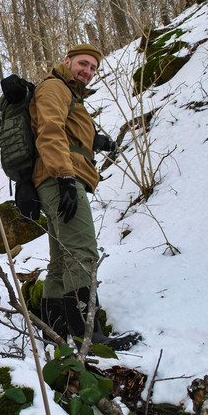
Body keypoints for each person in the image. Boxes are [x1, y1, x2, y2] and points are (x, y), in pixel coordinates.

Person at [31, 43, 140, 351]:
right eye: (83, 63)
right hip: (61, 178)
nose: (88, 71)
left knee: (62, 259)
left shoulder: (70, 93)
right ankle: (88, 337)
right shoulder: (55, 87)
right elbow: (50, 131)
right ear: (67, 61)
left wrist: (97, 141)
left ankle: (55, 331)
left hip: (55, 177)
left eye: (93, 68)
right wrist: (66, 177)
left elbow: (69, 132)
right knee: (82, 253)